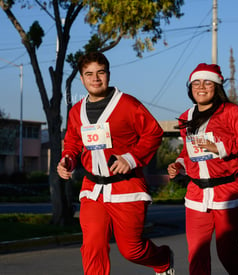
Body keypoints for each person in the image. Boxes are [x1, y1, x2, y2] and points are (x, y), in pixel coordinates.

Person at [57, 52, 175, 275]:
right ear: (81, 79)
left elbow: (153, 133)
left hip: (127, 187)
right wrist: (68, 160)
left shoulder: (127, 104)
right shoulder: (76, 112)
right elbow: (72, 142)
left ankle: (162, 260)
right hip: (93, 190)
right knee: (92, 246)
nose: (95, 79)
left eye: (100, 73)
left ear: (108, 75)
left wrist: (131, 158)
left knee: (132, 250)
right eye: (89, 74)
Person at [167, 63, 238, 275]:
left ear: (216, 86)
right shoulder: (186, 116)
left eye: (207, 82)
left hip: (228, 192)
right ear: (190, 87)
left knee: (226, 252)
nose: (201, 87)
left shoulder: (230, 111)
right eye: (196, 83)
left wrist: (220, 147)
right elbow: (187, 152)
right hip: (196, 194)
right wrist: (179, 165)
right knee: (197, 253)